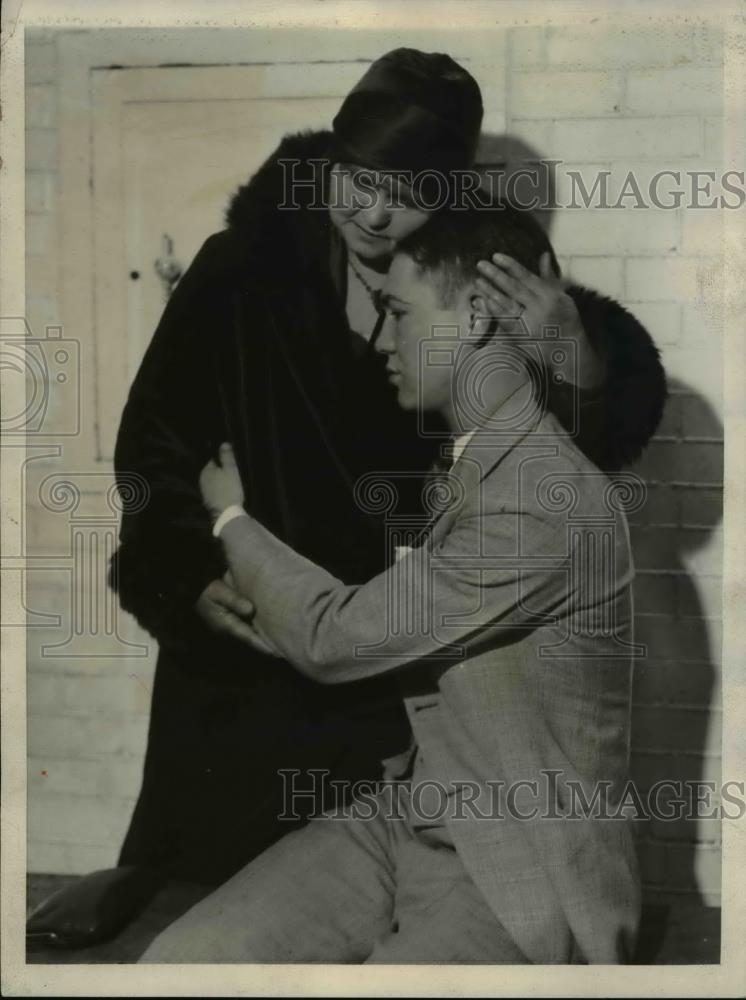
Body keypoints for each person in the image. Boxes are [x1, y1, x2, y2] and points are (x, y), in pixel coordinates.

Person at [27, 48, 665, 947]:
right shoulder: (242, 271)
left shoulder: (477, 279)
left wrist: (578, 357)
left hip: (412, 666)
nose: (371, 212)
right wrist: (191, 570)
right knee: (209, 915)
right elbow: (153, 450)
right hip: (254, 660)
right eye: (355, 180)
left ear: (446, 195)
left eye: (402, 191)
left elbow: (562, 451)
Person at [141, 205, 644, 964]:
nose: (386, 339)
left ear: (475, 316)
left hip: (514, 872)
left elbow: (332, 637)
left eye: (400, 313)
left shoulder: (544, 500)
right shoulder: (468, 459)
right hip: (409, 818)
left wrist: (228, 518)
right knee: (177, 967)